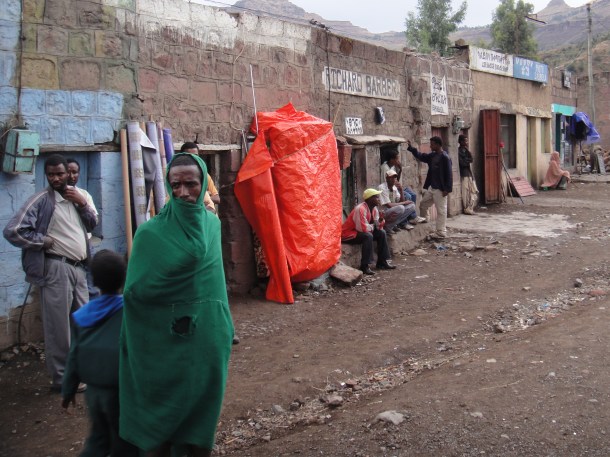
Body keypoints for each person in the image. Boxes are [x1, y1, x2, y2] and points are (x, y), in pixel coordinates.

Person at [119, 153, 234, 457]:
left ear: (203, 184)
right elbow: (135, 293)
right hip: (162, 340)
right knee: (164, 414)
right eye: (176, 185)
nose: (183, 192)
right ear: (168, 186)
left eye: (191, 184)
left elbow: (213, 283)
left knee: (202, 411)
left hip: (208, 338)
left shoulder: (211, 224)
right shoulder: (149, 234)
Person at [4, 154, 98, 391]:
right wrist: (42, 241)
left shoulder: (80, 196)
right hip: (56, 268)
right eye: (51, 174)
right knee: (59, 328)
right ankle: (62, 378)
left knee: (82, 322)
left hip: (79, 268)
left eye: (60, 173)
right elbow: (13, 230)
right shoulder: (42, 200)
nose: (56, 178)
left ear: (69, 173)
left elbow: (92, 224)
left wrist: (82, 203)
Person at [62, 250, 139, 457]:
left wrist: (68, 389)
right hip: (119, 391)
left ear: (94, 280)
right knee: (125, 442)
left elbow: (73, 355)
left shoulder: (81, 316)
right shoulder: (127, 311)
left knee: (98, 438)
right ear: (124, 278)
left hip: (93, 392)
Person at [341, 188, 396, 275]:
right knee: (368, 236)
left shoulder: (374, 209)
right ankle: (364, 265)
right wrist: (375, 225)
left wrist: (381, 220)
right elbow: (362, 228)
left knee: (382, 233)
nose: (378, 199)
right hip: (348, 234)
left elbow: (378, 227)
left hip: (359, 232)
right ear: (370, 199)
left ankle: (382, 262)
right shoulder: (360, 209)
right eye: (376, 197)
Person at [67, 158, 101, 298]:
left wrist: (81, 203)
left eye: (75, 172)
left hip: (86, 245)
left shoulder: (84, 195)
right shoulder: (52, 197)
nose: (71, 176)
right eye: (68, 172)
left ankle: (93, 316)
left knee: (90, 284)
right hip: (65, 248)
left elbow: (93, 223)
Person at [407, 137, 453, 239]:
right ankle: (425, 223)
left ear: (437, 145)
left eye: (432, 144)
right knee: (423, 204)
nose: (430, 146)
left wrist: (447, 189)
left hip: (441, 189)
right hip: (432, 187)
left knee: (441, 210)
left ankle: (441, 231)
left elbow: (449, 174)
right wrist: (411, 148)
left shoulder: (445, 157)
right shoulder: (433, 155)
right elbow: (421, 156)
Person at [180, 142, 220, 213]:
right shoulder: (177, 178)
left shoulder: (204, 175)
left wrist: (205, 197)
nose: (194, 159)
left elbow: (217, 199)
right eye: (189, 156)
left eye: (196, 155)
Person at [377, 169, 418, 234]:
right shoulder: (382, 187)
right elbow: (389, 205)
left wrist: (401, 190)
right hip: (383, 213)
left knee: (412, 206)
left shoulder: (394, 188)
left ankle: (391, 225)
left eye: (394, 177)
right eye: (391, 177)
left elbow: (401, 201)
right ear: (387, 178)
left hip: (393, 211)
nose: (394, 179)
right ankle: (388, 227)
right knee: (401, 208)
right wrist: (404, 203)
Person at [457, 135, 478, 215]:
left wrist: (467, 160)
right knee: (466, 192)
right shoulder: (459, 151)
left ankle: (470, 208)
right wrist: (467, 160)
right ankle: (467, 208)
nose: (467, 142)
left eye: (467, 141)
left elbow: (471, 159)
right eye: (465, 141)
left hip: (469, 173)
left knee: (473, 192)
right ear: (461, 142)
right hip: (464, 174)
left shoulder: (466, 150)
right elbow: (462, 163)